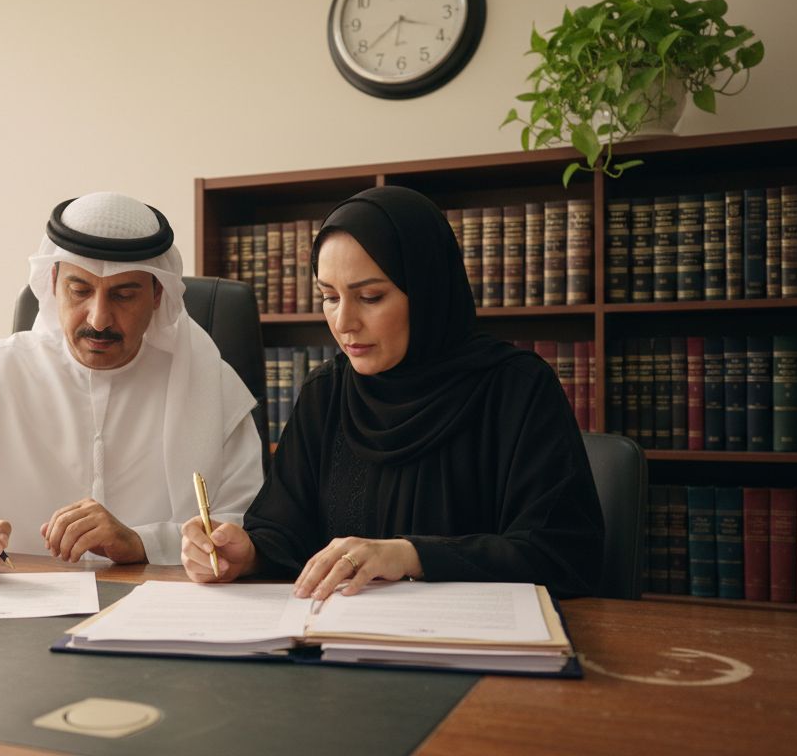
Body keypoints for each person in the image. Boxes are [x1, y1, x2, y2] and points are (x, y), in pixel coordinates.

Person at [181, 186, 604, 599]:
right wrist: (248, 554)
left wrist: (412, 555)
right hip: (341, 646)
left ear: (426, 291)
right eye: (329, 297)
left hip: (476, 648)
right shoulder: (326, 393)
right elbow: (284, 529)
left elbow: (562, 553)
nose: (344, 322)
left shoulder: (517, 388)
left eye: (370, 296)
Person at [0, 191, 263, 580]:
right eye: (80, 291)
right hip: (11, 614)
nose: (99, 318)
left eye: (124, 295)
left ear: (157, 295)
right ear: (53, 282)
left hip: (161, 618)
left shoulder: (212, 386)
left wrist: (140, 543)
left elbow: (246, 528)